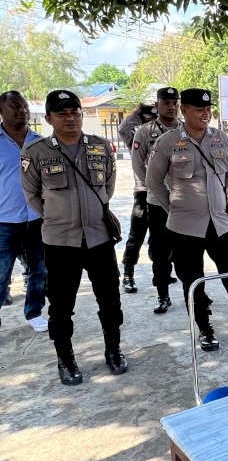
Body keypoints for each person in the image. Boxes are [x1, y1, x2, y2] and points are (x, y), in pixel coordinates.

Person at [21, 90, 127, 385]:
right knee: (61, 306)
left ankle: (113, 351)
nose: (70, 118)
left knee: (110, 301)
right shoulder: (36, 152)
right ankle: (65, 359)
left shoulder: (100, 146)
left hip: (99, 238)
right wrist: (60, 217)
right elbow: (33, 195)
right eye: (62, 113)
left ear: (81, 114)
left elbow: (108, 187)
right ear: (49, 118)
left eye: (74, 112)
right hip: (60, 242)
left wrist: (90, 213)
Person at [146, 88, 228, 351]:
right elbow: (153, 181)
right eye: (198, 109)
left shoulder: (220, 139)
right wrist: (172, 208)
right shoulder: (168, 142)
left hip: (219, 223)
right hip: (184, 228)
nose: (205, 114)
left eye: (208, 110)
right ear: (184, 110)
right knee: (193, 281)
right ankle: (204, 327)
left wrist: (221, 198)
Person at [131, 87, 181, 314]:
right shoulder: (144, 131)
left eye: (174, 102)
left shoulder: (186, 129)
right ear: (158, 104)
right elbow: (137, 164)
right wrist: (156, 186)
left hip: (184, 200)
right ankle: (162, 294)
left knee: (188, 249)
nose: (171, 107)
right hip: (158, 201)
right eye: (166, 102)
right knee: (160, 250)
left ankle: (195, 290)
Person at [0, 91, 47, 332]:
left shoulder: (40, 142)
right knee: (1, 273)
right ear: (1, 111)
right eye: (15, 107)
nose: (22, 111)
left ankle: (34, 312)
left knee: (38, 270)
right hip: (4, 221)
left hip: (36, 218)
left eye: (25, 107)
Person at [117, 101, 159, 293]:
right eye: (149, 118)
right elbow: (123, 128)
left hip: (165, 192)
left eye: (155, 118)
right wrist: (138, 111)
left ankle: (162, 273)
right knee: (136, 236)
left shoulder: (164, 132)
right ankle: (128, 274)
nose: (153, 121)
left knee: (162, 238)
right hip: (143, 192)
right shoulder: (136, 135)